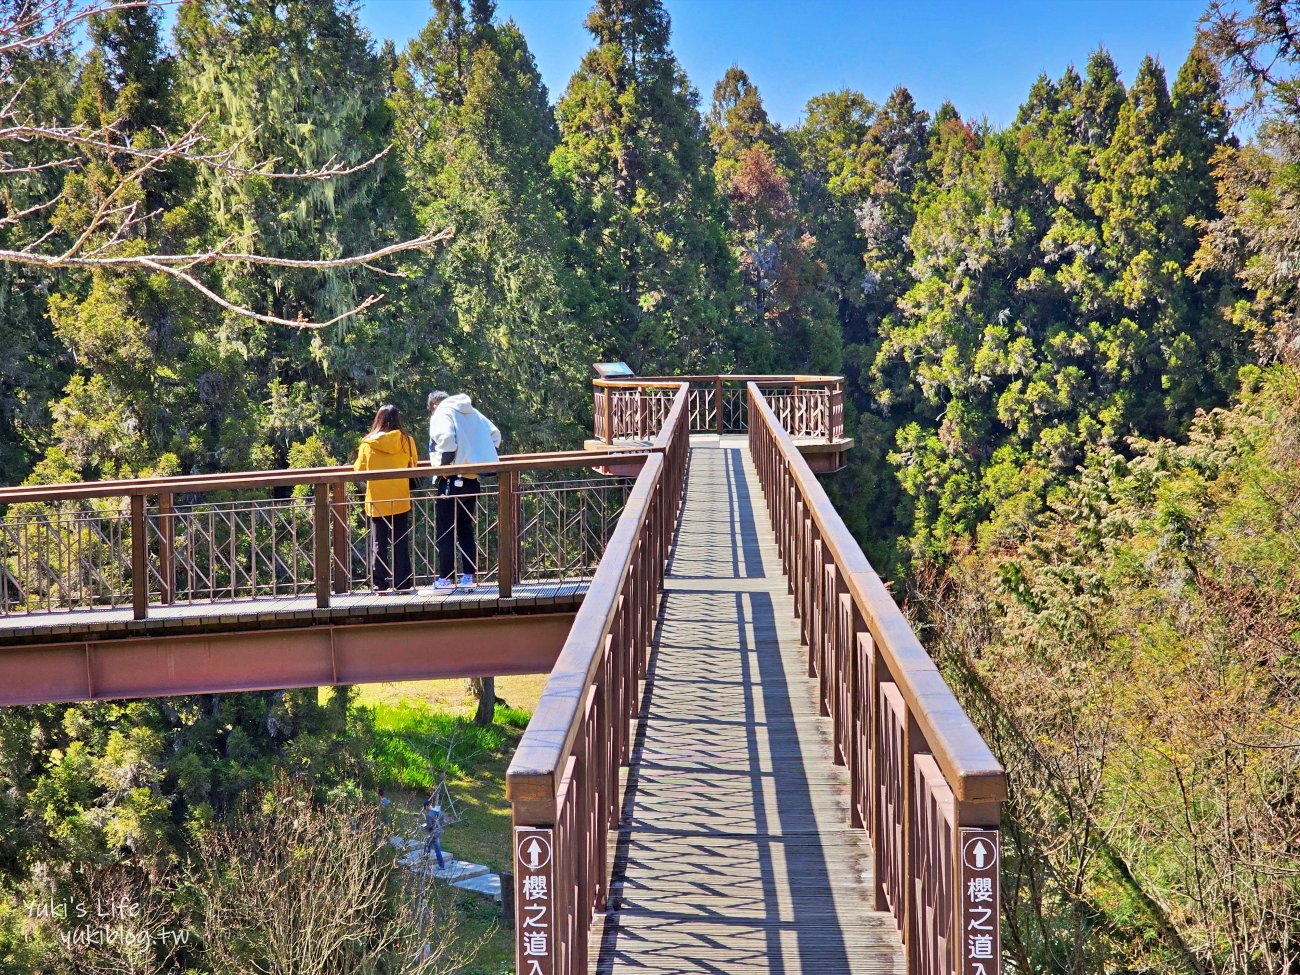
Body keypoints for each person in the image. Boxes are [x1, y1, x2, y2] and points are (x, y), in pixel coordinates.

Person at [427, 391, 501, 589]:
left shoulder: (442, 413)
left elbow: (448, 442)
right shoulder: (472, 412)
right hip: (471, 481)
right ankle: (468, 576)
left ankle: (445, 579)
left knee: (445, 531)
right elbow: (495, 436)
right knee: (465, 529)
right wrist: (479, 459)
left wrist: (444, 466)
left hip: (451, 481)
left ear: (434, 406)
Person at [353, 405, 419, 593]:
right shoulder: (406, 441)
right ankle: (403, 583)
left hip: (377, 499)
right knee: (400, 541)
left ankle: (379, 584)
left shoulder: (367, 444)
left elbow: (359, 469)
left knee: (378, 542)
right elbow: (412, 465)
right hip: (399, 496)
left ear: (378, 420)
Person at [422, 798, 446, 869]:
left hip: (433, 833)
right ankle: (441, 865)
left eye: (425, 808)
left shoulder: (429, 815)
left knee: (427, 847)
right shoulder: (439, 811)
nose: (425, 809)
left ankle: (425, 863)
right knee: (435, 849)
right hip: (439, 832)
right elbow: (443, 822)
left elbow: (429, 826)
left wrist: (424, 827)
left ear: (427, 806)